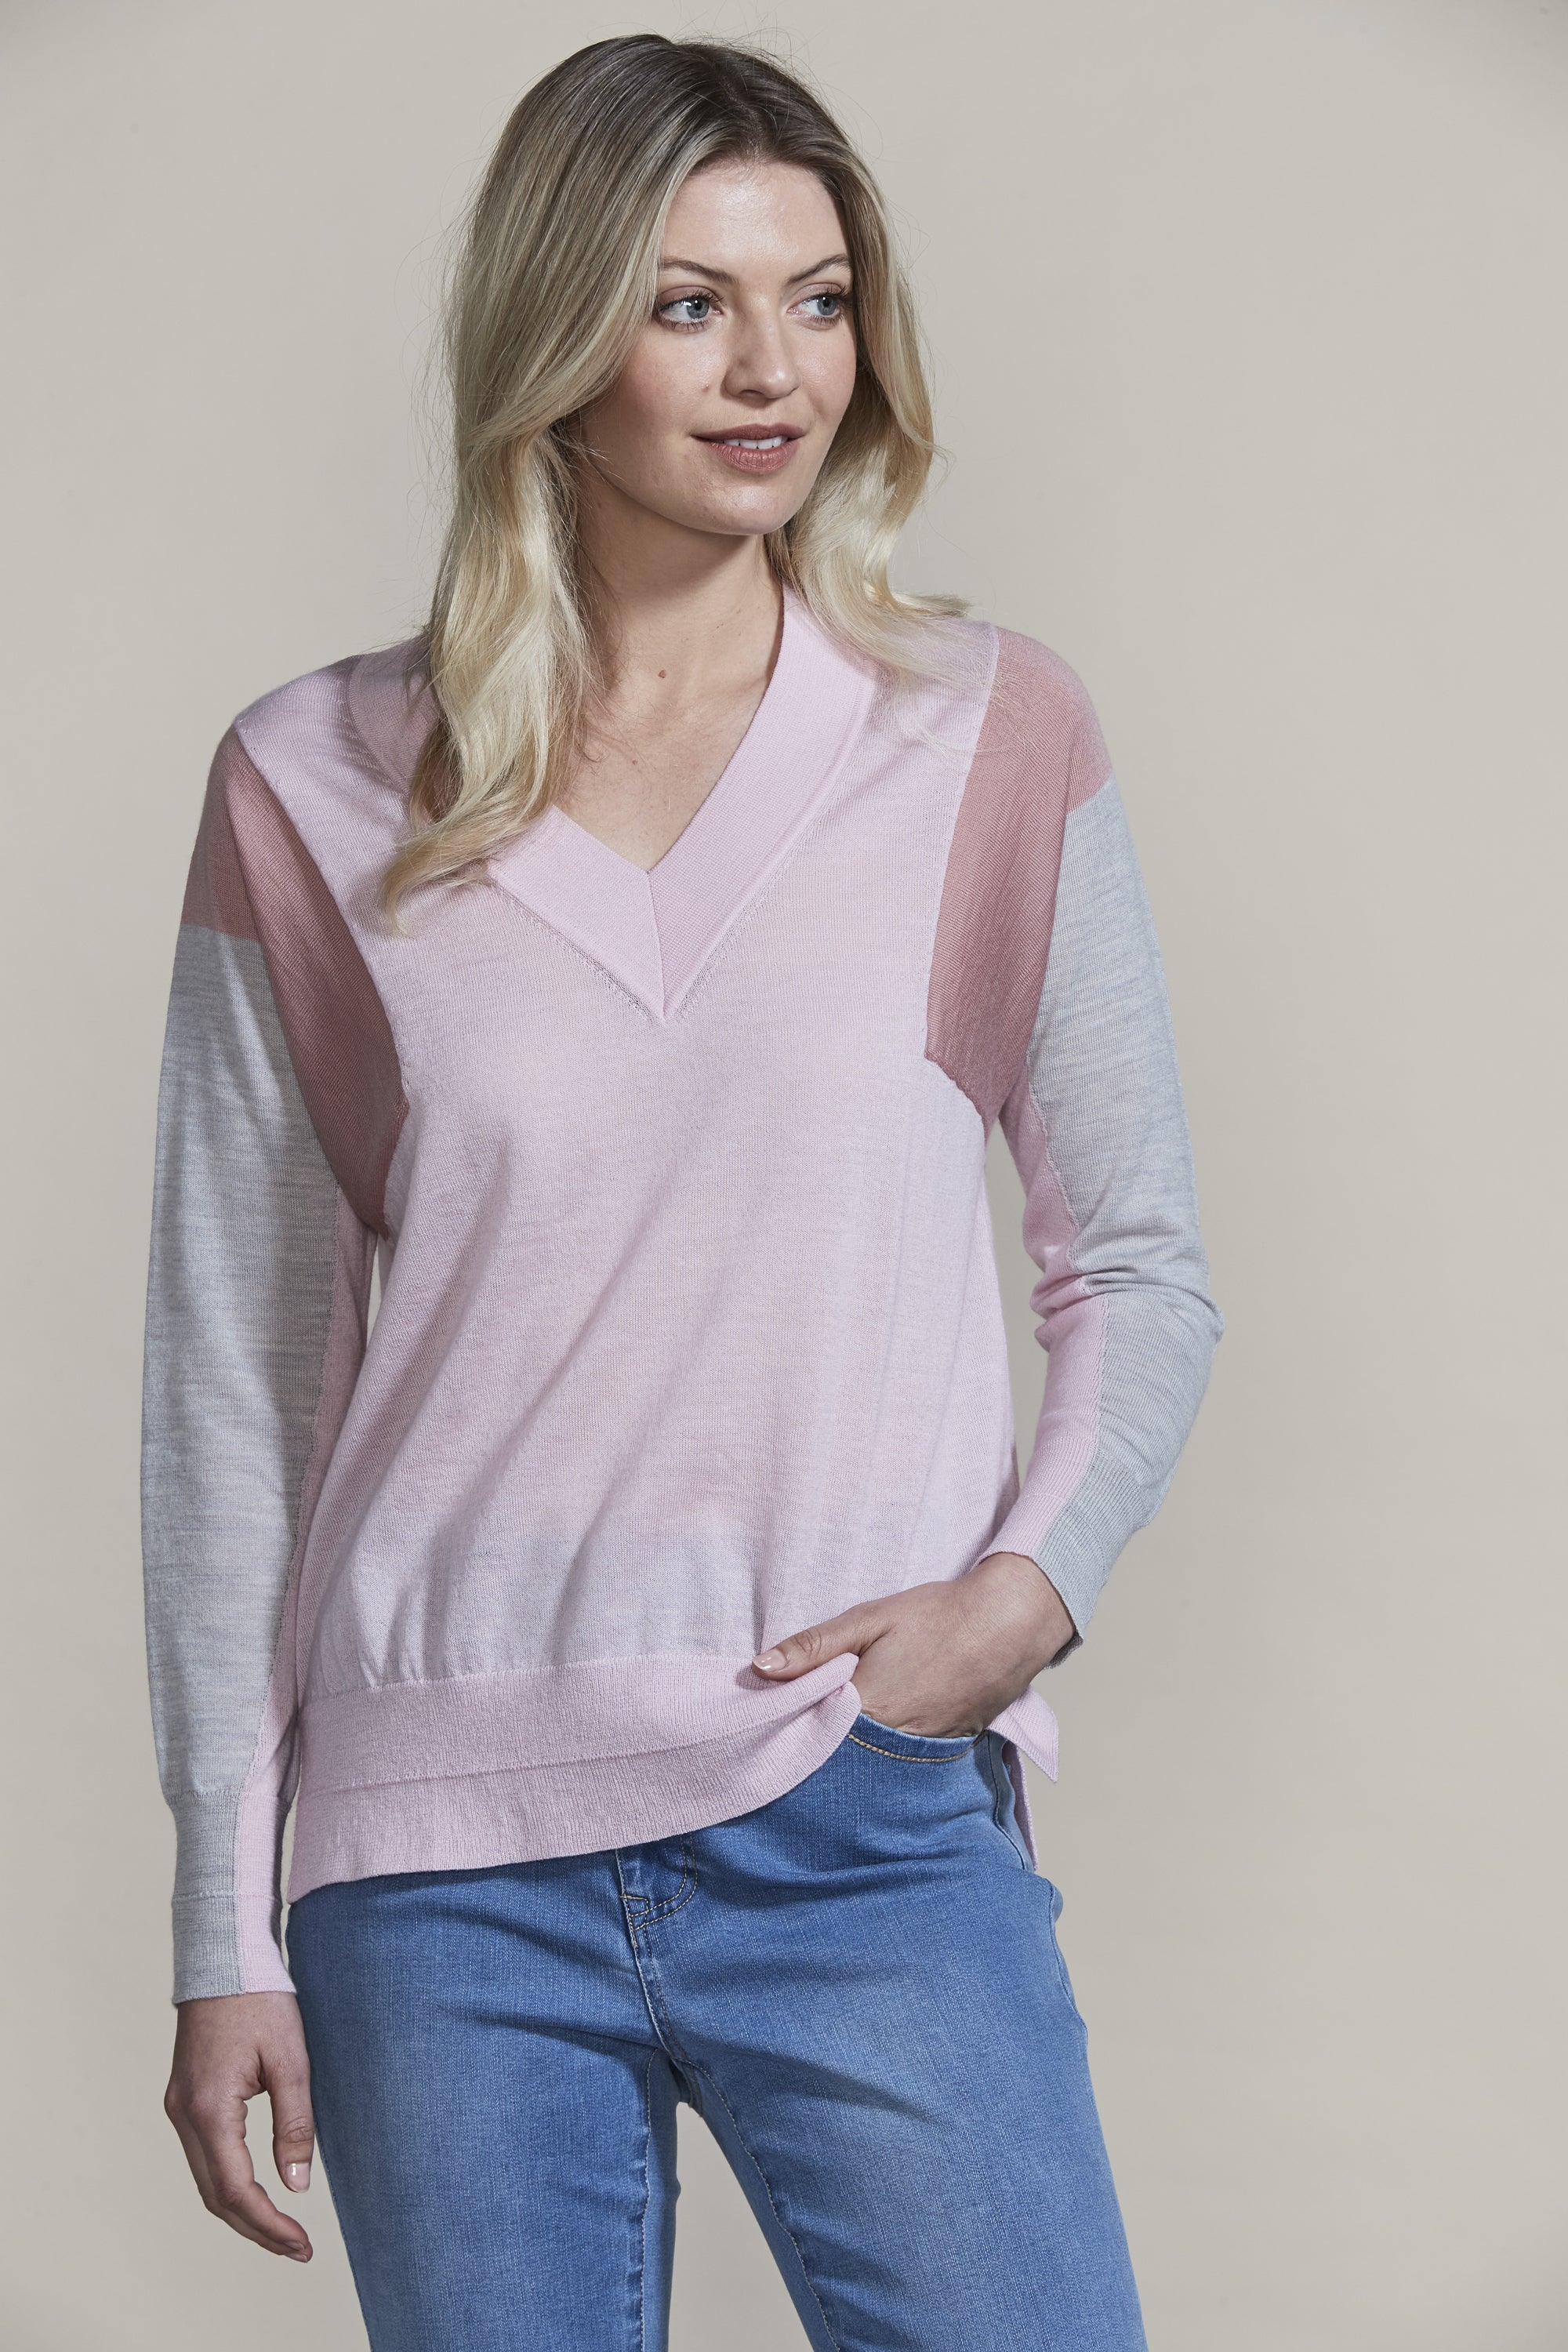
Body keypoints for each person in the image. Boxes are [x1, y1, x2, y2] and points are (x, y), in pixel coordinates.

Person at [142, 34, 1221, 2352]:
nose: (774, 371)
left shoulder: (987, 737)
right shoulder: (311, 785)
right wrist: (225, 1926)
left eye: (820, 302)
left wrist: (1020, 1602)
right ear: (556, 339)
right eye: (689, 303)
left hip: (860, 1817)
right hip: (437, 1882)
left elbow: (1135, 1262)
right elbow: (238, 1392)